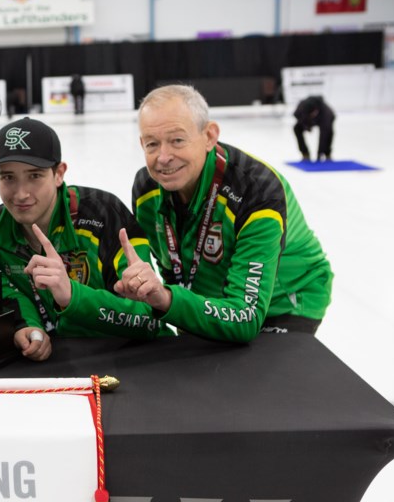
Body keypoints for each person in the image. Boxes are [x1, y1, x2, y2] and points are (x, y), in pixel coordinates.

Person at [116, 84, 333, 342]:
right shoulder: (147, 190)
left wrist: (168, 299)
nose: (163, 157)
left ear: (209, 136)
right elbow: (171, 268)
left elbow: (245, 317)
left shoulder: (256, 192)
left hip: (285, 302)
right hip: (213, 299)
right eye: (152, 144)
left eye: (177, 140)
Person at [0, 117, 168, 363]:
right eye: (8, 178)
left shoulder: (105, 214)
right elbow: (10, 295)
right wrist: (27, 327)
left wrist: (72, 296)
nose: (21, 193)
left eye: (34, 176)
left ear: (59, 174)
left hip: (139, 359)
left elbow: (148, 318)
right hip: (55, 366)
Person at [292, 95, 335, 162]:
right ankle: (305, 153)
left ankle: (327, 153)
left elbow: (324, 135)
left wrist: (319, 154)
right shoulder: (301, 108)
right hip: (306, 120)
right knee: (296, 128)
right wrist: (307, 126)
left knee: (328, 132)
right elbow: (296, 116)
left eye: (312, 114)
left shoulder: (327, 113)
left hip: (323, 119)